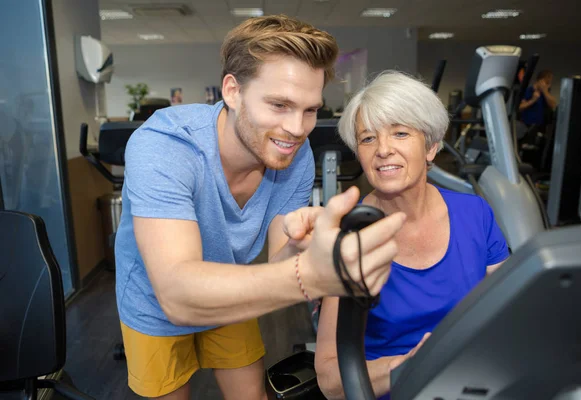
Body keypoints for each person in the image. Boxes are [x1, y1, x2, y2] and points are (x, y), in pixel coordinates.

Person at [114, 15, 407, 400]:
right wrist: (311, 276)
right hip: (155, 299)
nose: (297, 127)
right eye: (280, 105)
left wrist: (305, 245)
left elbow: (277, 262)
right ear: (232, 91)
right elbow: (178, 295)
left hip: (229, 282)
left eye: (309, 109)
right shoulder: (165, 146)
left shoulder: (294, 154)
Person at [314, 70, 510, 400]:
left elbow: (511, 312)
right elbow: (331, 378)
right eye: (368, 138)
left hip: (473, 382)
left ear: (432, 147)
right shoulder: (348, 237)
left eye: (400, 133)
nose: (383, 149)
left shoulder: (476, 214)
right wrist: (408, 365)